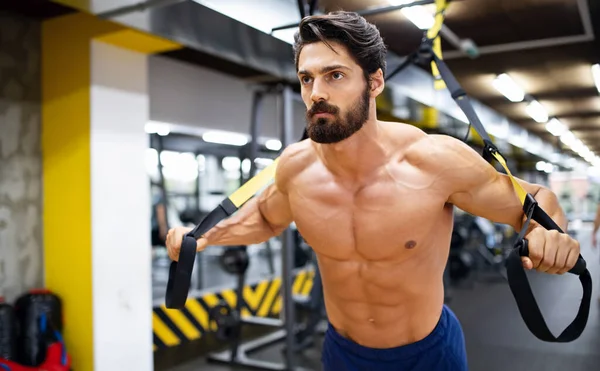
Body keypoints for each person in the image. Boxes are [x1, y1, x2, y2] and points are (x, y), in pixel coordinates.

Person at [166, 11, 581, 371]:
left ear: (375, 82)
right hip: (343, 353)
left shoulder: (433, 161)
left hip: (427, 355)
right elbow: (265, 217)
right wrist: (203, 237)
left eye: (335, 75)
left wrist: (548, 234)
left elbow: (537, 201)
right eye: (306, 79)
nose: (317, 93)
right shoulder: (295, 167)